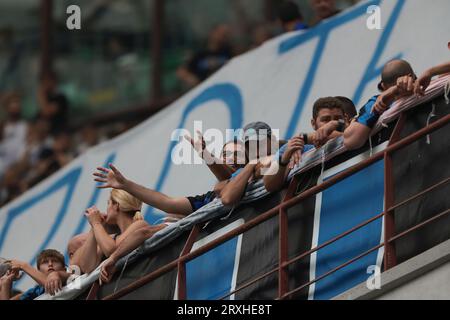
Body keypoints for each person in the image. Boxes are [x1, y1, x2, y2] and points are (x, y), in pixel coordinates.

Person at [93, 140, 246, 217]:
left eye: (237, 154)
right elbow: (168, 203)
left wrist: (206, 154)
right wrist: (126, 185)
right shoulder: (208, 198)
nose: (231, 158)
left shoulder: (252, 180)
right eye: (225, 155)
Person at [264, 97, 347, 192]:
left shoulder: (356, 130)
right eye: (325, 120)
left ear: (345, 118)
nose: (330, 123)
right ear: (313, 123)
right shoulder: (294, 145)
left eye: (337, 119)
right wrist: (285, 158)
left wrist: (335, 124)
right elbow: (269, 185)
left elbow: (345, 134)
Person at [70, 189, 149, 274]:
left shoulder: (140, 225)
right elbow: (87, 267)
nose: (106, 209)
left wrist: (96, 223)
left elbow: (110, 250)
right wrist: (94, 228)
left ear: (116, 206)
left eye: (108, 203)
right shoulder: (112, 238)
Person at [343, 59, 417, 150]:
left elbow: (351, 141)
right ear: (411, 76)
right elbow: (351, 141)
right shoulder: (377, 102)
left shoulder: (375, 103)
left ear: (383, 86)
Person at [220, 122, 279, 206]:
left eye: (260, 144)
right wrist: (251, 164)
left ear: (272, 140)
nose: (257, 151)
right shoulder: (244, 171)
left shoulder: (287, 151)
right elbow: (227, 199)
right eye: (250, 147)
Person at [177, 24, 234, 89]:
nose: (222, 36)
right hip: (204, 89)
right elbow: (181, 72)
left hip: (224, 87)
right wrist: (192, 80)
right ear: (212, 33)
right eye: (219, 33)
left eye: (225, 34)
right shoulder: (199, 52)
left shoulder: (229, 52)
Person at [0, 249, 66, 300]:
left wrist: (23, 265)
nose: (50, 264)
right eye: (45, 262)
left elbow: (51, 283)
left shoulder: (69, 277)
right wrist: (6, 284)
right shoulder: (35, 291)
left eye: (55, 261)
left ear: (64, 269)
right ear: (39, 271)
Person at [36, 71, 69, 135]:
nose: (44, 85)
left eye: (46, 81)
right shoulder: (46, 98)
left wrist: (41, 95)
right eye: (43, 82)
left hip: (57, 134)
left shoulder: (60, 98)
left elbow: (47, 112)